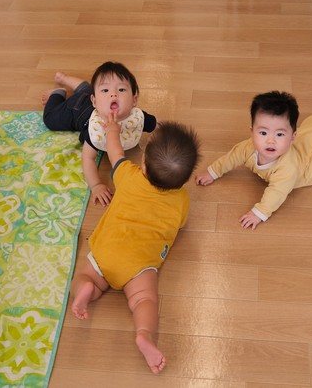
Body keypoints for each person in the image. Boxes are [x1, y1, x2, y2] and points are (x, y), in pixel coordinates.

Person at [69, 113, 200, 374]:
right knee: (144, 300)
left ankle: (87, 290)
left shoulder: (128, 175)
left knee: (86, 276)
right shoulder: (182, 200)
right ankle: (144, 334)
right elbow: (180, 225)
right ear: (183, 180)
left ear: (144, 165)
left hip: (106, 250)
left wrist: (112, 130)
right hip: (138, 265)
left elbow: (115, 152)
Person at [195, 90, 312, 230]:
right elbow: (230, 158)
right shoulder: (247, 148)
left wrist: (259, 212)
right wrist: (212, 172)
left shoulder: (286, 169)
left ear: (292, 137)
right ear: (252, 132)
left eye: (280, 134)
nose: (270, 140)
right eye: (263, 132)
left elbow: (277, 192)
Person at [41, 61, 157, 206]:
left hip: (89, 95)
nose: (113, 94)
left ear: (134, 100)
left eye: (121, 89)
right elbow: (88, 159)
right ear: (94, 102)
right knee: (50, 119)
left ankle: (66, 79)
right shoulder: (95, 129)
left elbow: (157, 125)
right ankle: (57, 93)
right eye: (105, 90)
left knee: (86, 90)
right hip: (76, 108)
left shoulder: (138, 117)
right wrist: (96, 185)